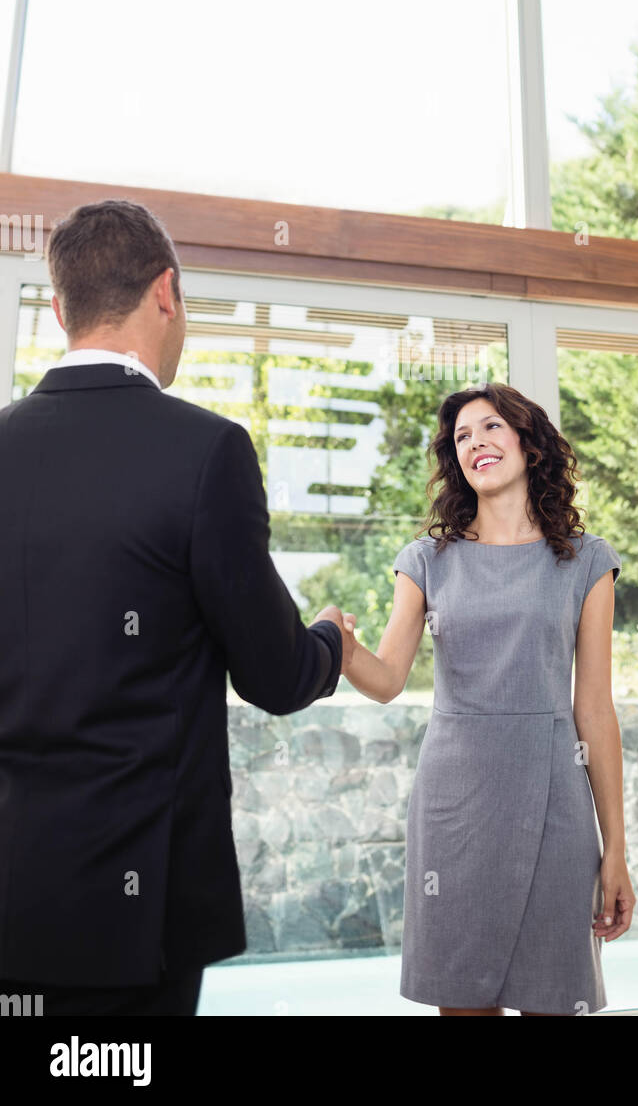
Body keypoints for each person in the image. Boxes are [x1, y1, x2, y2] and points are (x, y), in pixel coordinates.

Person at [0, 198, 356, 1015]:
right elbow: (275, 672)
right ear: (167, 292)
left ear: (61, 310)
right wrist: (330, 640)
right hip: (137, 911)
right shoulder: (205, 452)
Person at [341, 381, 635, 1015]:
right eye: (462, 437)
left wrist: (616, 849)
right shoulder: (425, 561)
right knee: (463, 1002)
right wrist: (338, 647)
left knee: (557, 999)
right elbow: (387, 677)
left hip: (558, 806)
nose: (475, 442)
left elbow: (595, 712)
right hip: (457, 812)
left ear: (529, 444)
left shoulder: (588, 563)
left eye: (491, 427)